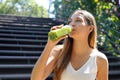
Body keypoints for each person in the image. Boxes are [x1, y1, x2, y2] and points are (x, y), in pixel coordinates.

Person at [31, 9, 109, 80]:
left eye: (78, 20)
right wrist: (50, 45)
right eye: (70, 21)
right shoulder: (59, 51)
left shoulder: (100, 59)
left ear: (90, 28)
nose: (72, 24)